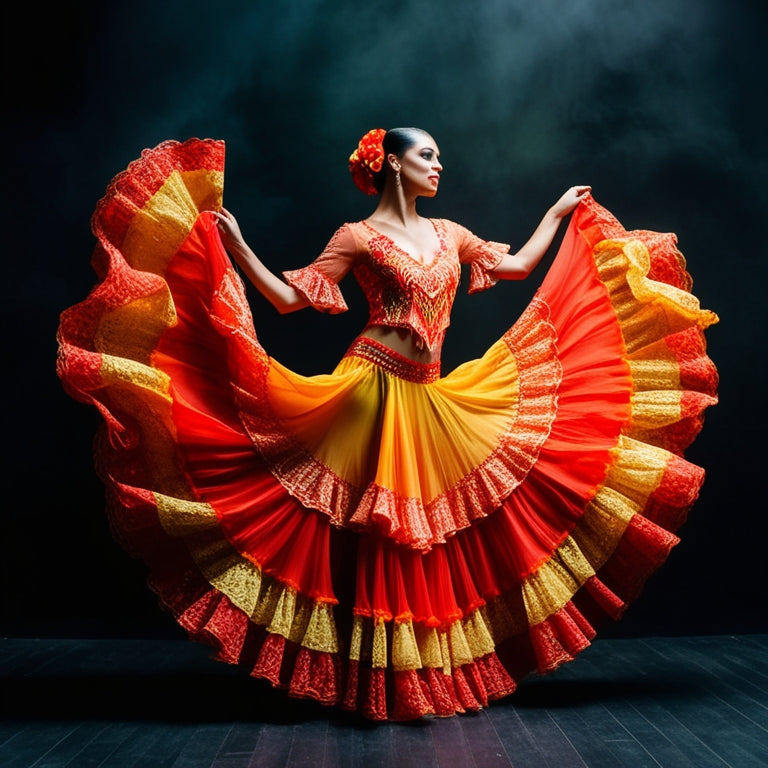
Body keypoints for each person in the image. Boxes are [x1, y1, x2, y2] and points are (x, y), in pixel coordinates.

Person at [57, 129, 719, 721]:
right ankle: (365, 684)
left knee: (429, 539)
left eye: (438, 156)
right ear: (394, 165)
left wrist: (553, 215)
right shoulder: (356, 236)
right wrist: (238, 248)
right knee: (374, 537)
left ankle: (414, 680)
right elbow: (293, 299)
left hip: (433, 399)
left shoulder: (451, 233)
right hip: (368, 393)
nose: (438, 165)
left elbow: (514, 266)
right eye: (427, 155)